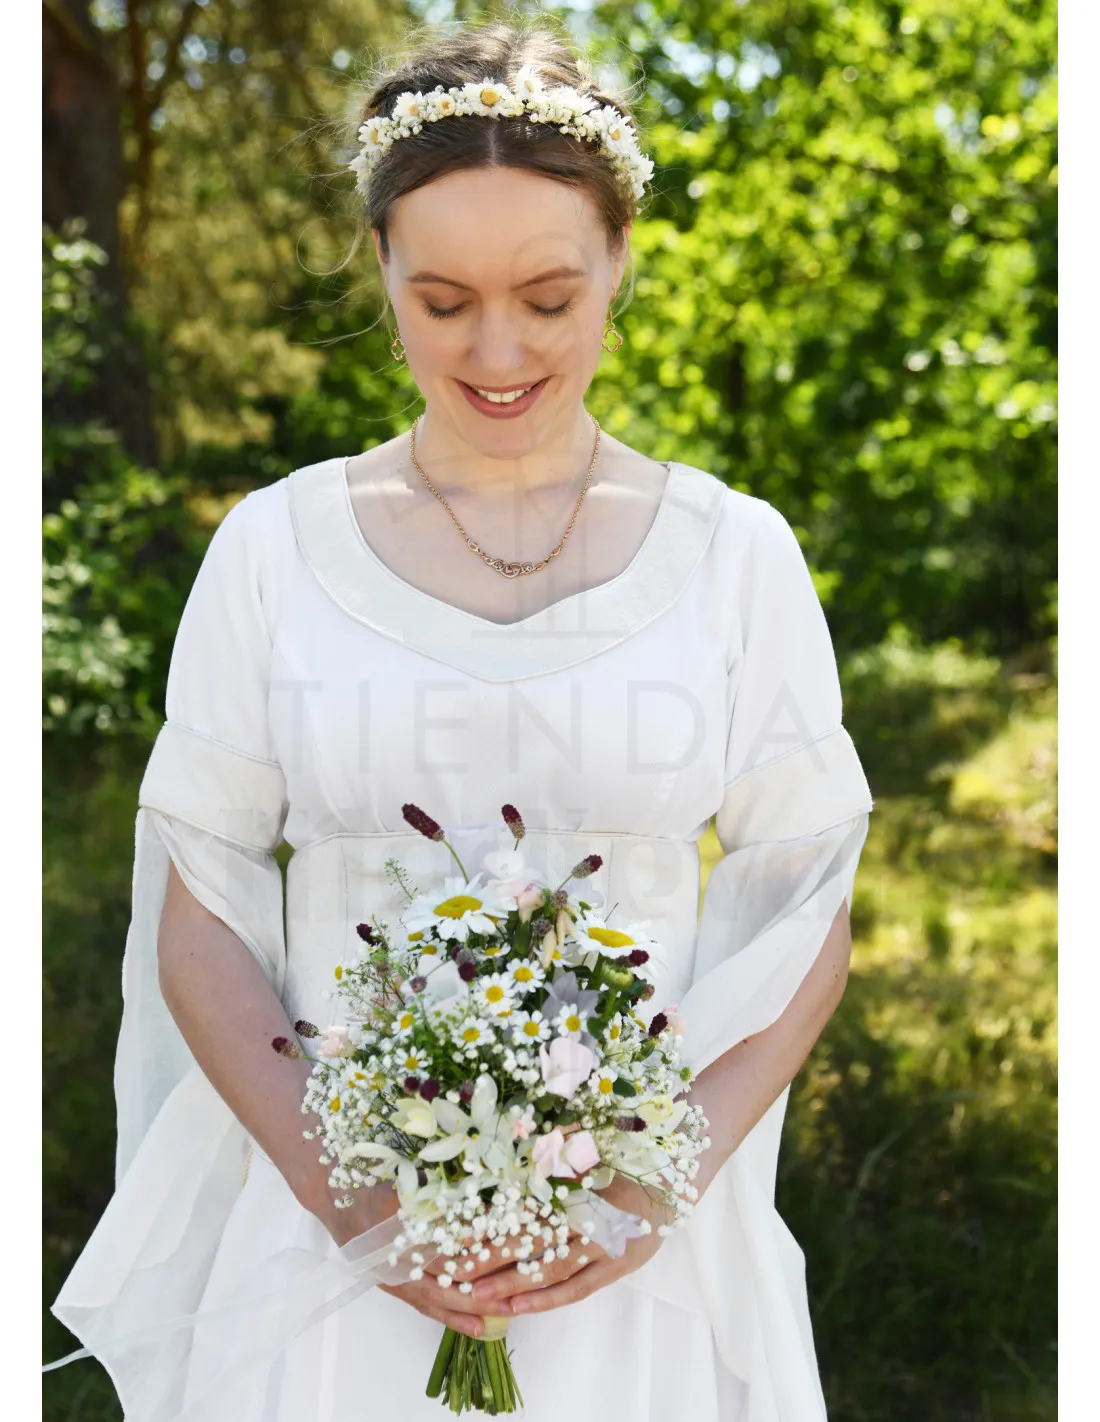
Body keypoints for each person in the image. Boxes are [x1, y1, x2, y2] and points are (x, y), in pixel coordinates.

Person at [47, 17, 873, 1421]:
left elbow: (806, 905)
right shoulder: (271, 547)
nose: (498, 349)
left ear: (621, 258)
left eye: (549, 295)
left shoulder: (739, 557)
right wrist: (359, 1199)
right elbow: (203, 904)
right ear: (379, 268)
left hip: (638, 1281)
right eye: (442, 299)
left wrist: (640, 1195)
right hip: (330, 1262)